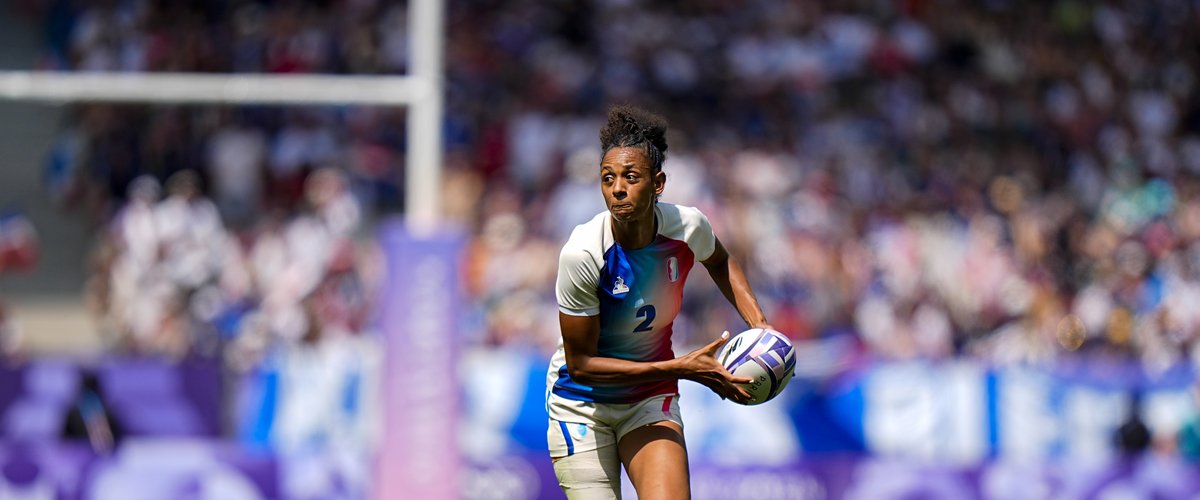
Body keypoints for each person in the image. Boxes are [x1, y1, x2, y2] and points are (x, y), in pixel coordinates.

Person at [546, 105, 771, 499]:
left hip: (648, 398)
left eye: (631, 177)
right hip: (582, 406)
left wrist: (760, 325)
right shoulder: (583, 254)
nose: (617, 189)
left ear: (658, 183)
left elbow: (721, 261)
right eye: (608, 178)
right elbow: (581, 367)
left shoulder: (688, 227)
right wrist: (681, 368)